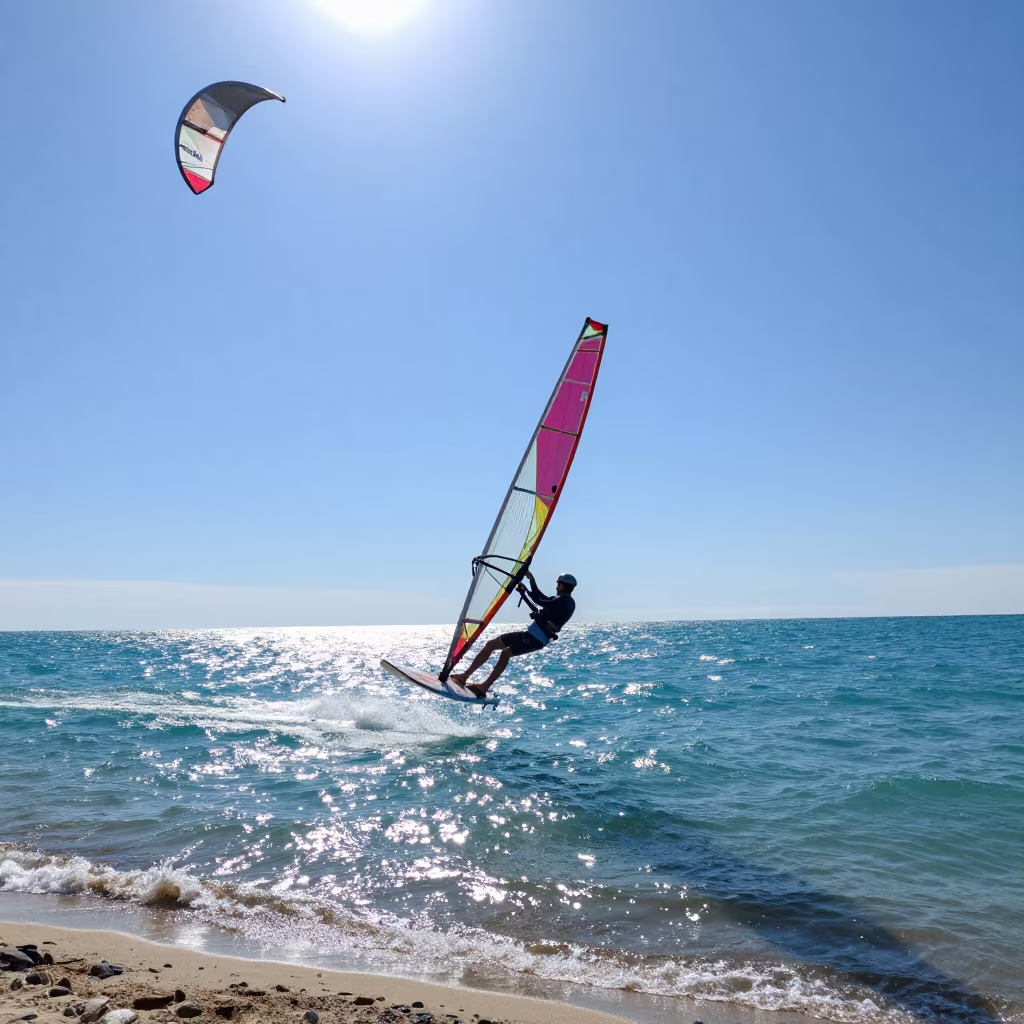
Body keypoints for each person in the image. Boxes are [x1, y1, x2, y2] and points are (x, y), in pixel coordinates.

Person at [449, 572, 577, 698]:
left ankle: (484, 687)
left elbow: (540, 601)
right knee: (491, 644)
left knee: (506, 653)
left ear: (564, 585)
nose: (556, 586)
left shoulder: (564, 601)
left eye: (558, 584)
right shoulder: (560, 600)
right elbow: (540, 597)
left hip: (535, 639)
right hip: (529, 635)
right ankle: (464, 676)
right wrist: (531, 581)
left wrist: (526, 590)